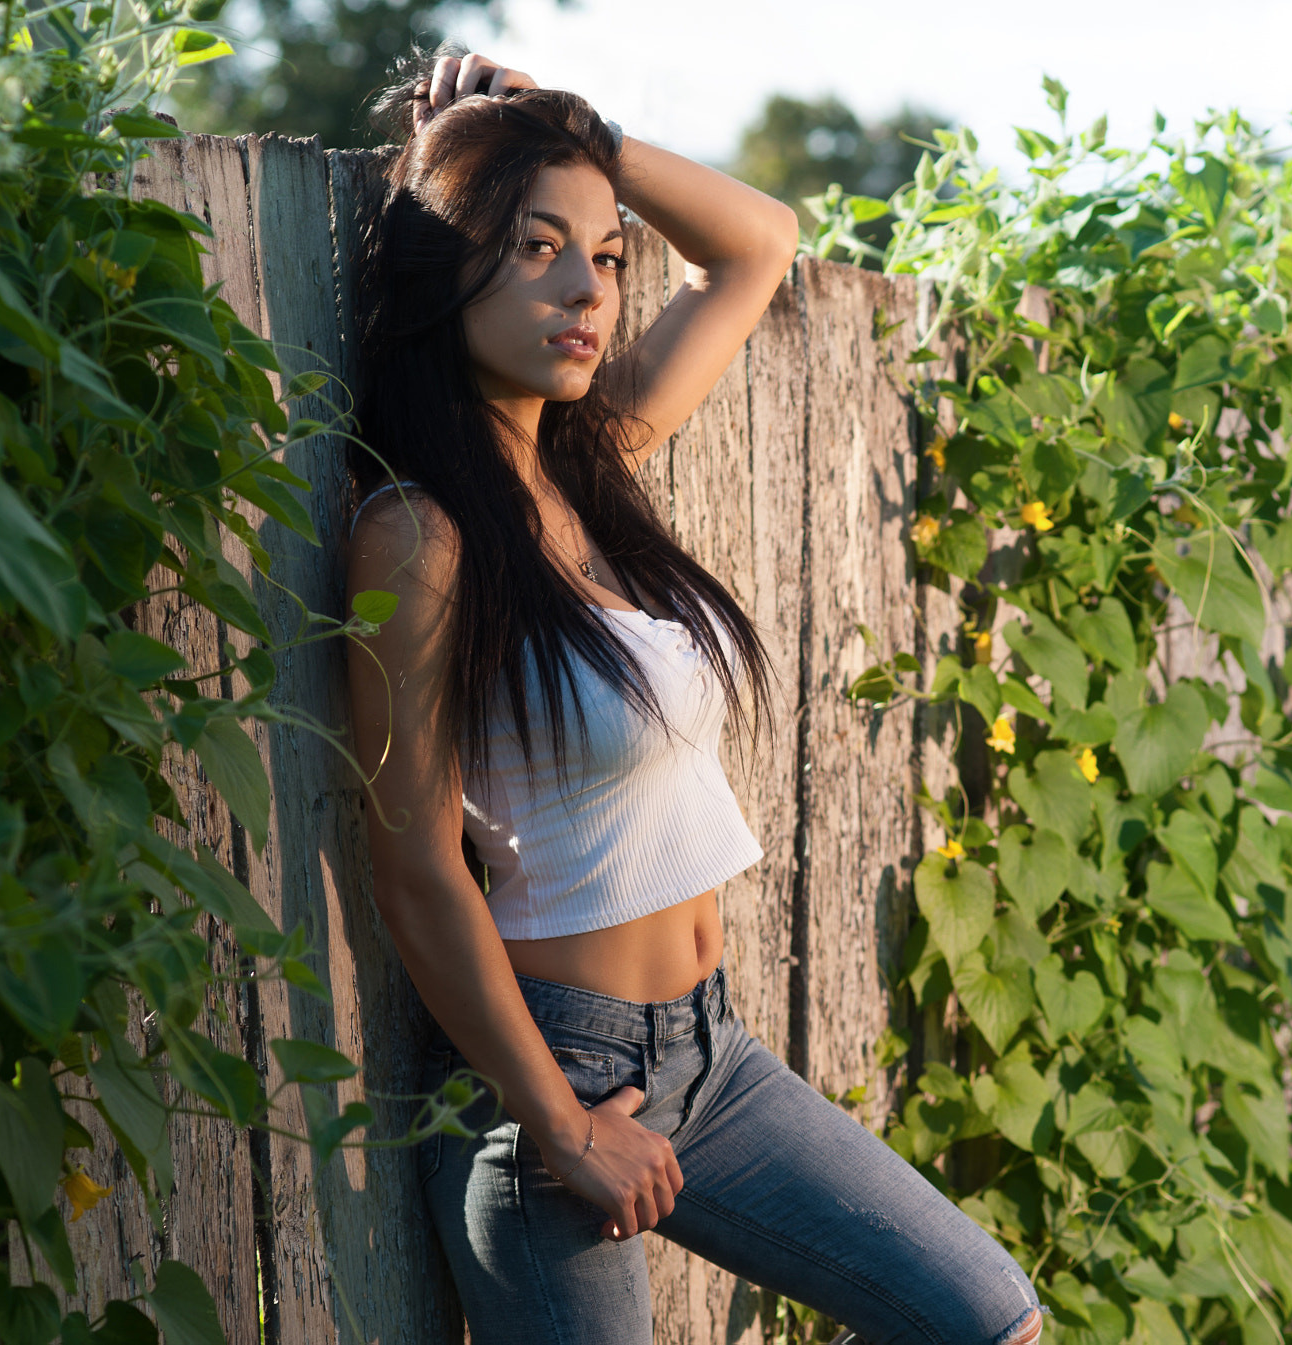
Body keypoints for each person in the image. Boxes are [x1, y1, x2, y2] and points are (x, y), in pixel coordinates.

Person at [342, 49, 1045, 1345]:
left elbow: (759, 243)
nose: (585, 288)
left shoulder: (593, 468)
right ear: (446, 265)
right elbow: (415, 869)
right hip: (545, 1090)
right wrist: (558, 1121)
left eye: (606, 255)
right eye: (536, 245)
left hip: (709, 1060)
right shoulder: (420, 536)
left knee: (987, 1317)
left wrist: (575, 123)